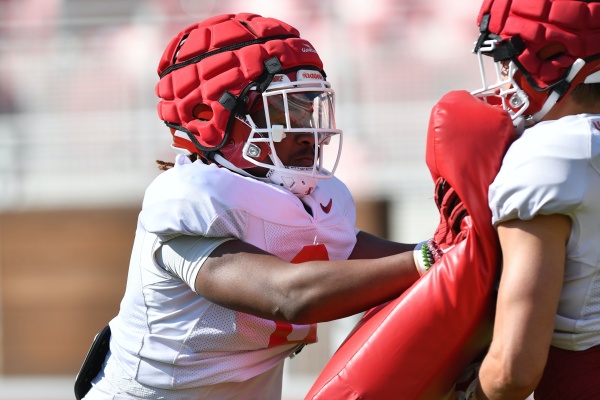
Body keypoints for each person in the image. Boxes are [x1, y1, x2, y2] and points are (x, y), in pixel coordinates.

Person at [76, 13, 427, 400]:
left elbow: (377, 259)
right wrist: (429, 258)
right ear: (211, 117)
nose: (308, 128)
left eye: (310, 106)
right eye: (286, 110)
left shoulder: (306, 201)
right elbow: (287, 297)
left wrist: (456, 247)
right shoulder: (191, 200)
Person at [461, 0, 600, 398]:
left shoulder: (551, 154)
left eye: (506, 63)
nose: (504, 80)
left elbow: (513, 371)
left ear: (553, 60)